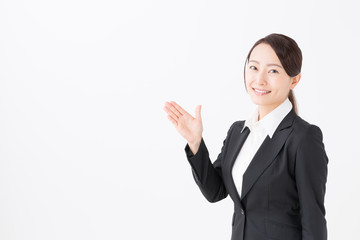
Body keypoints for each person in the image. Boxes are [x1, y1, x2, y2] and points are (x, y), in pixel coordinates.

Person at [163, 33, 328, 240]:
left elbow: (314, 221)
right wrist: (195, 142)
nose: (260, 80)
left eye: (273, 71)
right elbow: (216, 192)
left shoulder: (303, 137)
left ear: (294, 80)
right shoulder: (237, 131)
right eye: (254, 67)